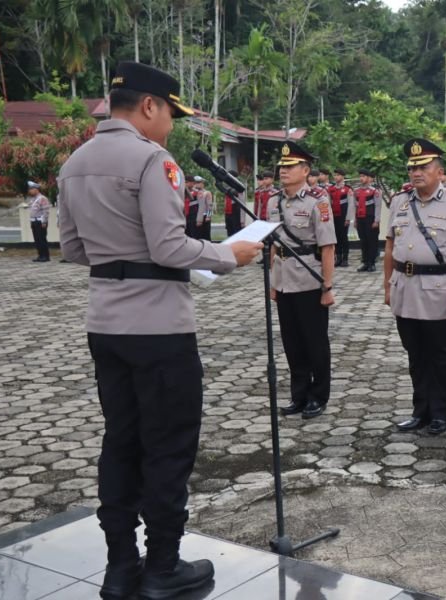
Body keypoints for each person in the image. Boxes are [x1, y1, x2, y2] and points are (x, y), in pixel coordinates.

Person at [57, 61, 263, 600]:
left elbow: (74, 250)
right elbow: (171, 247)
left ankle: (121, 567)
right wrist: (229, 254)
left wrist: (120, 259)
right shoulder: (153, 159)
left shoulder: (74, 162)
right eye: (170, 113)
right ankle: (164, 568)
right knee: (168, 447)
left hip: (104, 325)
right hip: (159, 329)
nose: (171, 125)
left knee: (120, 442)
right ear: (149, 106)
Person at [385, 139, 446, 435]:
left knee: (439, 354)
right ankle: (420, 410)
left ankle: (440, 412)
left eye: (423, 167)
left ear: (440, 171)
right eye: (412, 168)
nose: (416, 172)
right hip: (404, 288)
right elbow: (389, 246)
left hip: (436, 290)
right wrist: (387, 286)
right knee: (415, 354)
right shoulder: (399, 202)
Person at [269, 142, 337, 419]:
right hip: (284, 279)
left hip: (309, 280)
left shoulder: (318, 201)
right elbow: (273, 243)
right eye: (282, 167)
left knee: (314, 342)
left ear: (305, 170)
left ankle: (318, 396)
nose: (283, 171)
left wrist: (327, 287)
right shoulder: (274, 201)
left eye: (290, 166)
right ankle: (299, 395)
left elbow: (328, 246)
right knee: (292, 342)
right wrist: (273, 283)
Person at [354, 168, 381, 272]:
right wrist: (355, 220)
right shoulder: (357, 191)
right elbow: (355, 206)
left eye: (364, 176)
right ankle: (365, 262)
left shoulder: (374, 191)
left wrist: (377, 220)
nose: (361, 178)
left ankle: (372, 263)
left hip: (371, 219)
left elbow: (378, 206)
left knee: (372, 241)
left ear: (369, 178)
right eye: (360, 176)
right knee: (363, 241)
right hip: (360, 219)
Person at [327, 168, 355, 267]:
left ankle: (345, 258)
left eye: (338, 175)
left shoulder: (347, 189)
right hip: (334, 215)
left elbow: (351, 204)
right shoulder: (331, 189)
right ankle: (338, 258)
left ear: (343, 176)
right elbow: (328, 203)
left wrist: (348, 218)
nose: (336, 177)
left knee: (344, 237)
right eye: (335, 175)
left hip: (343, 215)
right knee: (336, 237)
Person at [27, 181, 51, 262]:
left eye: (31, 189)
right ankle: (40, 255)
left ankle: (45, 256)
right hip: (34, 222)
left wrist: (44, 222)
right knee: (37, 240)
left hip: (40, 222)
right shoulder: (33, 199)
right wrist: (31, 221)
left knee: (42, 239)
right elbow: (32, 211)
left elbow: (46, 211)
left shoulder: (42, 198)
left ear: (36, 189)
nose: (30, 191)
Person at [223, 169, 244, 237]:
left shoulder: (239, 188)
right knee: (229, 232)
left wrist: (208, 216)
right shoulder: (227, 188)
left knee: (236, 233)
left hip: (235, 212)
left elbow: (242, 204)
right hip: (228, 213)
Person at [193, 176, 213, 241]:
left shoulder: (206, 192)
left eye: (199, 182)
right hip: (195, 216)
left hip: (204, 216)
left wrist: (208, 216)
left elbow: (209, 205)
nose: (198, 184)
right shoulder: (193, 192)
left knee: (205, 236)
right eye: (196, 182)